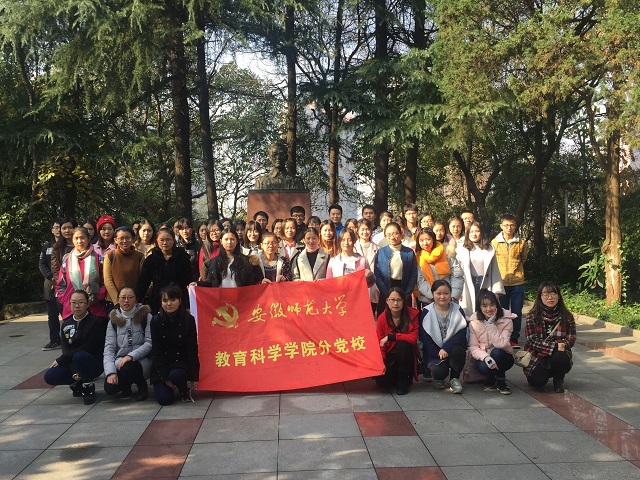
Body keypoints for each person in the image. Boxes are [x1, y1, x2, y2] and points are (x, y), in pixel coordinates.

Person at [44, 290, 106, 405]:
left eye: (81, 302)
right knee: (50, 376)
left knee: (79, 355)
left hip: (92, 362)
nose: (77, 306)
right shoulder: (66, 324)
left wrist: (61, 360)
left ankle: (88, 385)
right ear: (69, 304)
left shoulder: (96, 322)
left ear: (87, 304)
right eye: (74, 303)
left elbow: (89, 347)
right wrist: (74, 371)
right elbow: (66, 349)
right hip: (73, 362)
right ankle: (76, 383)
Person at [523, 281, 576, 393]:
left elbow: (570, 340)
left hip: (558, 354)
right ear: (540, 297)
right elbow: (531, 340)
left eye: (553, 293)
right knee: (537, 382)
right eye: (546, 294)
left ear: (558, 296)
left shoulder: (567, 316)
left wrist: (551, 349)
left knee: (560, 355)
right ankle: (542, 373)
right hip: (537, 355)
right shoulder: (532, 315)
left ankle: (558, 378)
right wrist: (554, 347)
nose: (550, 297)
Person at [150, 285, 199, 405]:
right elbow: (157, 351)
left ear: (180, 301)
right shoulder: (155, 321)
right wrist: (165, 378)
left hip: (180, 363)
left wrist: (194, 377)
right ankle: (168, 384)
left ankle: (183, 388)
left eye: (173, 300)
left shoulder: (188, 320)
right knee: (164, 400)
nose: (169, 304)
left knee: (177, 374)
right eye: (165, 300)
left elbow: (192, 348)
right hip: (162, 365)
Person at [103, 287, 152, 401]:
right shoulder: (113, 320)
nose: (126, 300)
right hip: (120, 361)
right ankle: (126, 386)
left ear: (136, 299)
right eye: (123, 297)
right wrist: (110, 372)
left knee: (129, 368)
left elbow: (149, 343)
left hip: (141, 360)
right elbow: (109, 348)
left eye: (130, 297)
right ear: (118, 299)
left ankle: (141, 384)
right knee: (110, 388)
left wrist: (130, 356)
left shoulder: (146, 316)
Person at [419, 280, 467, 393]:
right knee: (439, 371)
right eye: (438, 293)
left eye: (446, 293)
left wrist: (446, 348)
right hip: (435, 353)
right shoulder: (426, 311)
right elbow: (425, 338)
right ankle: (439, 378)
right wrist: (438, 353)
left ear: (450, 294)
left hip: (452, 349)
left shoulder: (458, 310)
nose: (442, 297)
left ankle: (455, 378)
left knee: (459, 351)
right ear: (433, 294)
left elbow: (461, 334)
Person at [468, 289, 515, 395]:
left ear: (497, 305)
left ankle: (501, 379)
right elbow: (473, 347)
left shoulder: (507, 319)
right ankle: (491, 377)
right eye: (484, 306)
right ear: (479, 307)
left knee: (497, 352)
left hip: (504, 355)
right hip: (484, 356)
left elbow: (502, 344)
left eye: (492, 305)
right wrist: (486, 358)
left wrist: (490, 325)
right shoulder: (474, 322)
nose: (489, 309)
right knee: (484, 366)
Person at [491, 214, 529, 348]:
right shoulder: (494, 243)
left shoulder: (521, 242)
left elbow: (523, 258)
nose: (509, 228)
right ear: (501, 226)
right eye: (506, 225)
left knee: (517, 311)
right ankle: (503, 336)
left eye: (512, 225)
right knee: (502, 311)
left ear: (515, 226)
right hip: (501, 282)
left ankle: (514, 338)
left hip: (517, 281)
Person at [136, 227, 192, 314]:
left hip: (178, 299)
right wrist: (137, 300)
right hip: (157, 300)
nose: (165, 243)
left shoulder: (183, 258)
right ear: (157, 241)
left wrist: (188, 304)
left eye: (168, 240)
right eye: (161, 240)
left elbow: (188, 282)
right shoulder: (151, 260)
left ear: (173, 241)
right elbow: (143, 282)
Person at [56, 227, 106, 320]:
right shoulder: (67, 261)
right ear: (72, 240)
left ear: (88, 238)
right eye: (76, 238)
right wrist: (66, 300)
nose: (79, 241)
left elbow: (105, 282)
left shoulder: (99, 260)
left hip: (95, 309)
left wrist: (97, 296)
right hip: (71, 310)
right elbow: (60, 285)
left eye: (82, 238)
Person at [376, 288, 419, 395]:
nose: (396, 303)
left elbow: (413, 338)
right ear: (387, 301)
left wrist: (392, 337)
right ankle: (394, 376)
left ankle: (404, 380)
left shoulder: (412, 315)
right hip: (390, 355)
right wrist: (382, 362)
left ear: (404, 301)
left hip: (406, 355)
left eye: (399, 300)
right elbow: (380, 343)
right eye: (392, 299)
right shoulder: (382, 318)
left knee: (403, 344)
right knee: (382, 382)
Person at [456, 221, 504, 316]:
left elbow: (495, 270)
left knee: (485, 311)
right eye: (471, 232)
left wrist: (497, 290)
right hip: (468, 283)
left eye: (477, 231)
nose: (474, 234)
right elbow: (457, 271)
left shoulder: (489, 248)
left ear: (481, 232)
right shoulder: (461, 249)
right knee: (469, 312)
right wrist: (458, 290)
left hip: (485, 282)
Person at [374, 222, 418, 315]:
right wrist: (387, 295)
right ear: (385, 236)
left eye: (395, 233)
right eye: (389, 234)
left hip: (403, 288)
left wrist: (406, 295)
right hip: (386, 289)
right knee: (385, 319)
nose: (392, 237)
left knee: (404, 319)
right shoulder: (381, 252)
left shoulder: (409, 252)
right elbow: (377, 275)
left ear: (401, 234)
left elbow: (413, 274)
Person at [198, 228, 264, 287]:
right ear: (221, 241)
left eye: (232, 239)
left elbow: (254, 283)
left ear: (236, 241)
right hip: (220, 296)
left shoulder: (247, 261)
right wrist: (197, 284)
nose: (229, 242)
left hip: (241, 296)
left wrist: (262, 282)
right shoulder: (214, 262)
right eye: (226, 239)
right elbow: (210, 283)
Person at [103, 226, 144, 314]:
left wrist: (134, 298)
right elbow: (107, 280)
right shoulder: (110, 256)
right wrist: (117, 300)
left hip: (134, 302)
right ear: (115, 240)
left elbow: (142, 279)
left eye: (128, 238)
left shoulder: (139, 256)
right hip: (113, 302)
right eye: (121, 238)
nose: (125, 241)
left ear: (133, 239)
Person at [40, 220, 62, 350]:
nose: (58, 230)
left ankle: (69, 339)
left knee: (66, 313)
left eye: (60, 227)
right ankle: (54, 340)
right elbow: (42, 264)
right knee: (52, 315)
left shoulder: (67, 245)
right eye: (56, 227)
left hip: (64, 284)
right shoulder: (47, 246)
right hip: (50, 285)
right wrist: (51, 277)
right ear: (52, 230)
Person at [355, 219, 380, 313]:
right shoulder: (352, 247)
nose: (365, 232)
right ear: (357, 230)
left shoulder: (378, 248)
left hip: (373, 286)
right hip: (356, 287)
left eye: (367, 229)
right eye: (362, 229)